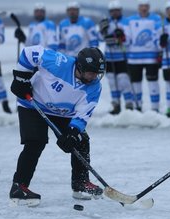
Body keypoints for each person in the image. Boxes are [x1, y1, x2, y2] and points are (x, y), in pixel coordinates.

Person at [9, 45, 105, 206]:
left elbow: (83, 114)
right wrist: (21, 77)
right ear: (80, 67)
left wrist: (73, 132)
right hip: (33, 104)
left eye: (98, 73)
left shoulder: (94, 86)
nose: (94, 76)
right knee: (35, 142)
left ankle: (80, 183)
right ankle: (19, 187)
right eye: (91, 72)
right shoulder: (58, 62)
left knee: (81, 140)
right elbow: (28, 52)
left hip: (63, 112)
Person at [124, 0, 161, 112]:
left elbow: (158, 36)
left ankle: (155, 108)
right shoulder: (129, 20)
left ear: (149, 7)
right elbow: (126, 40)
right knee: (135, 83)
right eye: (141, 6)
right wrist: (122, 37)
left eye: (146, 6)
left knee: (153, 83)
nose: (144, 8)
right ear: (138, 8)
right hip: (134, 58)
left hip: (151, 57)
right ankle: (137, 107)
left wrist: (160, 47)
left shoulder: (156, 18)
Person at [99, 0, 134, 115]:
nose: (115, 13)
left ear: (120, 11)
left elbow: (129, 39)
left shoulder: (126, 22)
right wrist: (102, 30)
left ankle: (129, 103)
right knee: (112, 81)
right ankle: (116, 104)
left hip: (122, 57)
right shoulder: (106, 22)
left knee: (123, 80)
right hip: (110, 57)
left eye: (117, 11)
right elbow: (101, 38)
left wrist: (121, 36)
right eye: (112, 11)